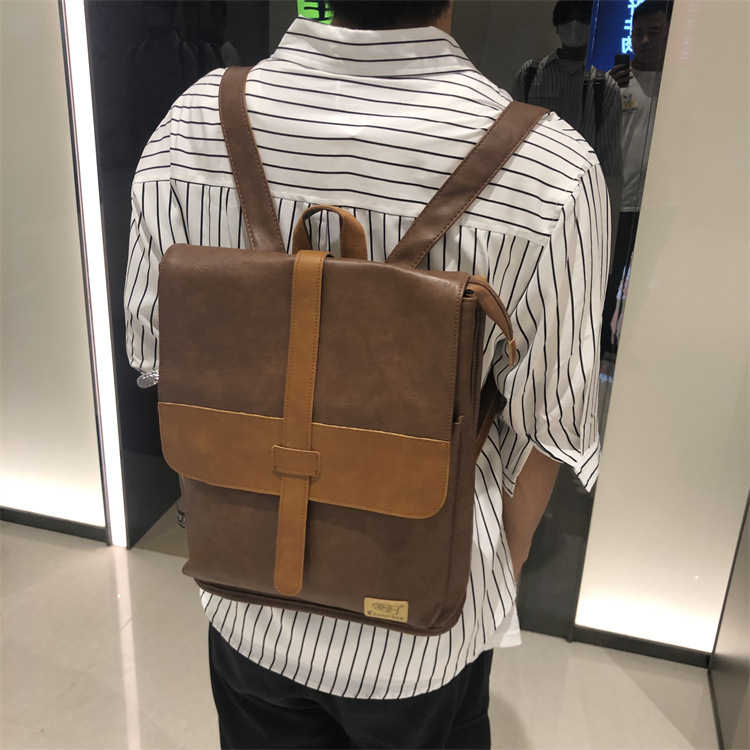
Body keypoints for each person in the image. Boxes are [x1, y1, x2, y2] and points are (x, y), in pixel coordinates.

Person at [124, 2, 609, 747]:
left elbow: (158, 356)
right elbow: (553, 429)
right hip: (424, 627)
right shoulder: (552, 170)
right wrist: (492, 578)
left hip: (245, 598)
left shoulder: (193, 124)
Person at [601, 0, 672, 355]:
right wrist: (607, 93)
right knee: (609, 275)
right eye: (638, 32)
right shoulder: (616, 82)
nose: (644, 40)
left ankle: (631, 341)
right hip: (620, 199)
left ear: (669, 33)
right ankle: (601, 338)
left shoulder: (681, 83)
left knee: (646, 277)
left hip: (661, 202)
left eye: (653, 32)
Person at [512, 0, 622, 219]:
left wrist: (606, 211)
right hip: (530, 182)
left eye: (582, 18)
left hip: (578, 191)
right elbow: (513, 134)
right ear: (557, 25)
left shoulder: (604, 86)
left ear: (593, 24)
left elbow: (609, 157)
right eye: (567, 18)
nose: (574, 24)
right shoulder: (530, 74)